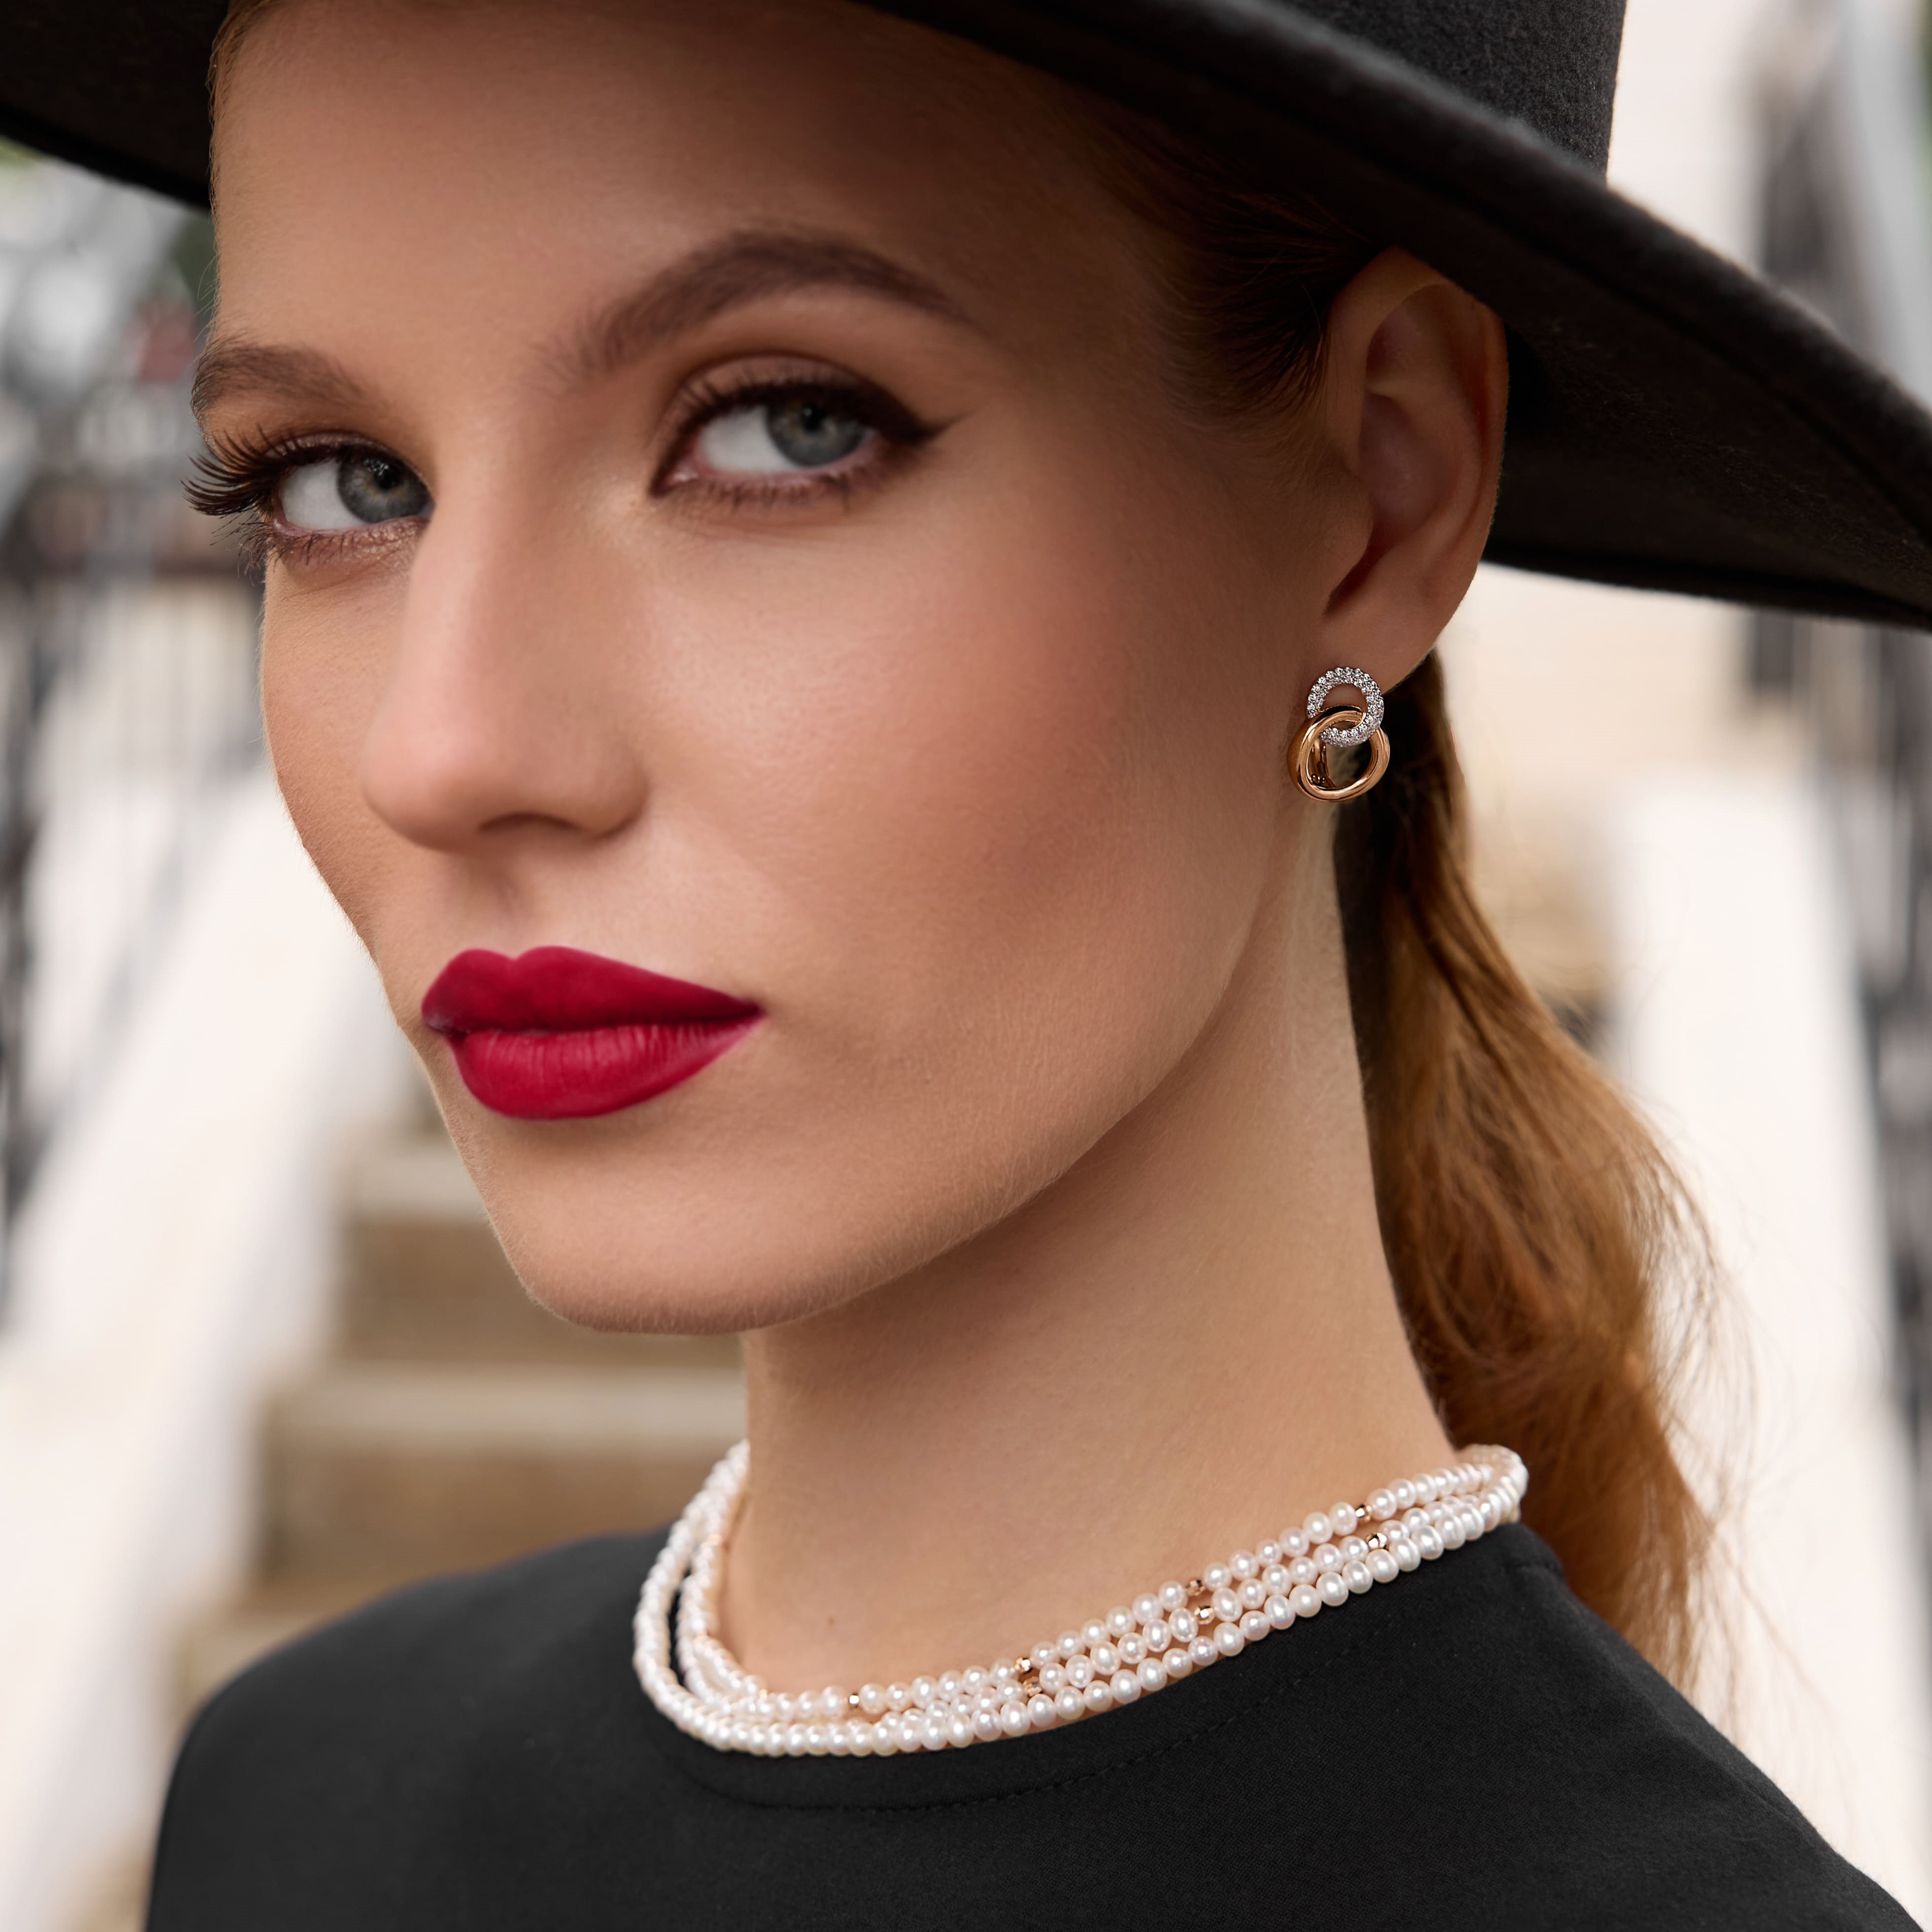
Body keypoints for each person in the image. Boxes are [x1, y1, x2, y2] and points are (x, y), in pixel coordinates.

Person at [3, 0, 1928, 1925]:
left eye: (783, 427)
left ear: (1383, 491)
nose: (446, 752)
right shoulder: (292, 1803)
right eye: (338, 479)